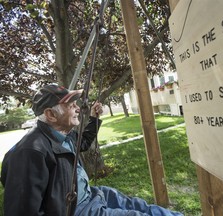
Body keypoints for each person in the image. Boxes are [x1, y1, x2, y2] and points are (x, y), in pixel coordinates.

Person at [1, 84, 183, 216]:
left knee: (143, 207)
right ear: (50, 114)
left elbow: (84, 142)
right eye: (70, 105)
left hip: (93, 195)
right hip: (78, 210)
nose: (78, 108)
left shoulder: (62, 133)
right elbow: (21, 211)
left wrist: (95, 118)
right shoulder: (29, 153)